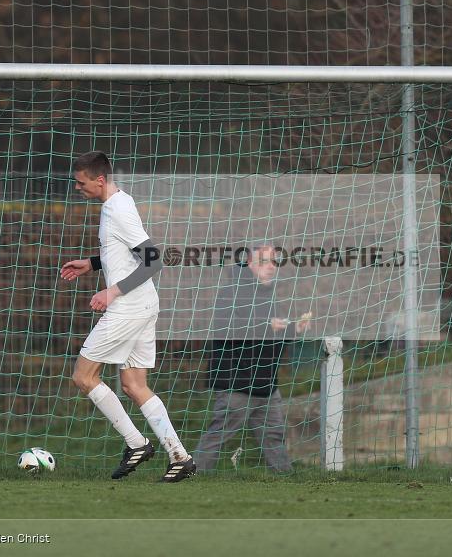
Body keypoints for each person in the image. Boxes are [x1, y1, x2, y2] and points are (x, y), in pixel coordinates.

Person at [60, 151, 195, 482]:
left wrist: (111, 292)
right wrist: (92, 264)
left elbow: (152, 260)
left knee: (83, 376)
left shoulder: (118, 208)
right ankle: (180, 457)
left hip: (129, 307)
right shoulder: (114, 205)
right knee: (134, 385)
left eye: (81, 183)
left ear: (100, 179)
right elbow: (122, 252)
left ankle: (136, 443)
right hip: (144, 305)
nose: (78, 189)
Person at [194, 245, 311, 473]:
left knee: (275, 435)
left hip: (266, 384)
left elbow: (272, 339)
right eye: (265, 262)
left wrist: (293, 330)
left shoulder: (270, 295)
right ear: (250, 264)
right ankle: (194, 473)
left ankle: (286, 477)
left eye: (274, 262)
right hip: (236, 382)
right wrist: (266, 326)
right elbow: (226, 330)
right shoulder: (232, 292)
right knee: (219, 434)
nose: (271, 267)